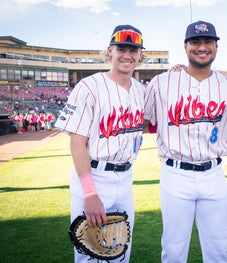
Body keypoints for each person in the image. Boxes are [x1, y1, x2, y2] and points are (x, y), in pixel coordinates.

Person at [144, 20, 227, 263]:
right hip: (175, 174)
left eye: (208, 41)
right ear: (185, 46)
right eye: (195, 42)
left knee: (219, 249)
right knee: (174, 249)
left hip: (214, 173)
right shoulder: (161, 83)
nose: (202, 47)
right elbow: (140, 121)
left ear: (216, 47)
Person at [55, 24, 146, 263]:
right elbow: (76, 144)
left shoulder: (141, 91)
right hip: (95, 176)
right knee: (88, 254)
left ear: (141, 55)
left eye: (133, 49)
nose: (127, 54)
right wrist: (90, 193)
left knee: (120, 252)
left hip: (126, 179)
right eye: (121, 48)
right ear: (110, 51)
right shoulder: (89, 86)